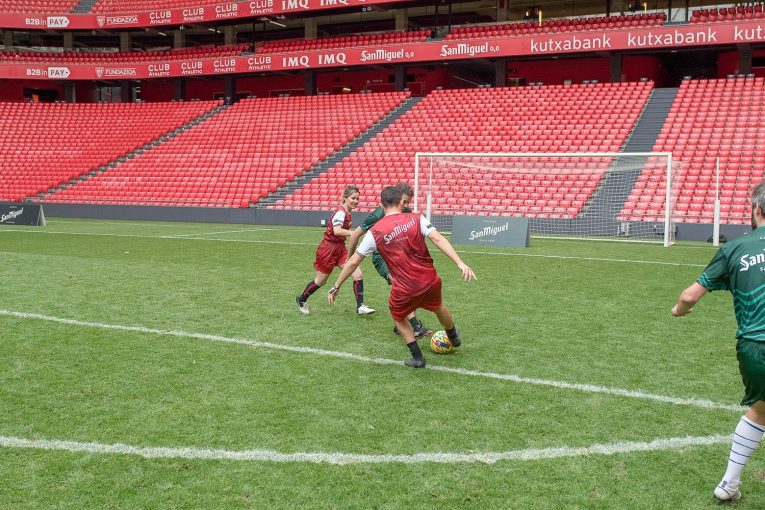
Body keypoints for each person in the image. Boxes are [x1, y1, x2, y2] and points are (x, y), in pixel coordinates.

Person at [671, 180, 765, 502]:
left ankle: (729, 485)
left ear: (755, 209)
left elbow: (689, 295)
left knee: (760, 411)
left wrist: (679, 310)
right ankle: (727, 485)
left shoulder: (734, 248)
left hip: (753, 347)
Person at [328, 185, 476, 368]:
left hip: (404, 286)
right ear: (401, 202)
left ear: (382, 206)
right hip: (429, 280)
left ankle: (418, 358)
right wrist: (460, 263)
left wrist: (337, 285)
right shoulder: (417, 218)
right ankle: (453, 336)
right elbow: (437, 238)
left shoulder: (375, 231)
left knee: (398, 316)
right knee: (438, 307)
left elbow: (352, 262)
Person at [348, 183, 433, 339]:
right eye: (404, 201)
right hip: (381, 258)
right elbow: (355, 235)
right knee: (400, 285)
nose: (406, 206)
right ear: (397, 199)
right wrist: (350, 259)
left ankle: (399, 324)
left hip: (399, 256)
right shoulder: (377, 214)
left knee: (409, 288)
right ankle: (416, 327)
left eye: (408, 202)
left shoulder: (406, 212)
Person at [296, 185, 375, 316]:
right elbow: (336, 230)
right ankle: (301, 299)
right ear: (345, 198)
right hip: (328, 249)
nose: (356, 201)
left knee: (357, 274)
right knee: (321, 281)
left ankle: (360, 306)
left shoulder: (347, 212)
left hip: (340, 248)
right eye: (353, 198)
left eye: (357, 199)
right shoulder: (341, 212)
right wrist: (354, 233)